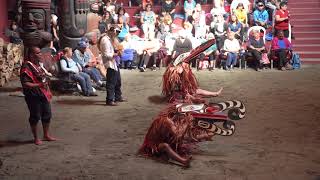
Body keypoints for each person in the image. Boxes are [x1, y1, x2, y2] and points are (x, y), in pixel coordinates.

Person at [20, 47, 57, 145]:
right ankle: (36, 137)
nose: (40, 54)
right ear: (31, 55)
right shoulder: (26, 67)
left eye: (40, 52)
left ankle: (46, 135)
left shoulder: (39, 65)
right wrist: (39, 85)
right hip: (33, 95)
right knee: (35, 116)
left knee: (47, 114)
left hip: (43, 94)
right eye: (38, 53)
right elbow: (25, 84)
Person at [98, 27, 127, 106]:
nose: (117, 34)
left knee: (117, 81)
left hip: (114, 62)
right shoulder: (105, 40)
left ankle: (117, 96)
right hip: (110, 63)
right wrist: (116, 54)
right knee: (111, 82)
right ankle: (110, 100)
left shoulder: (110, 39)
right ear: (112, 31)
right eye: (116, 32)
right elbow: (106, 54)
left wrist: (117, 51)